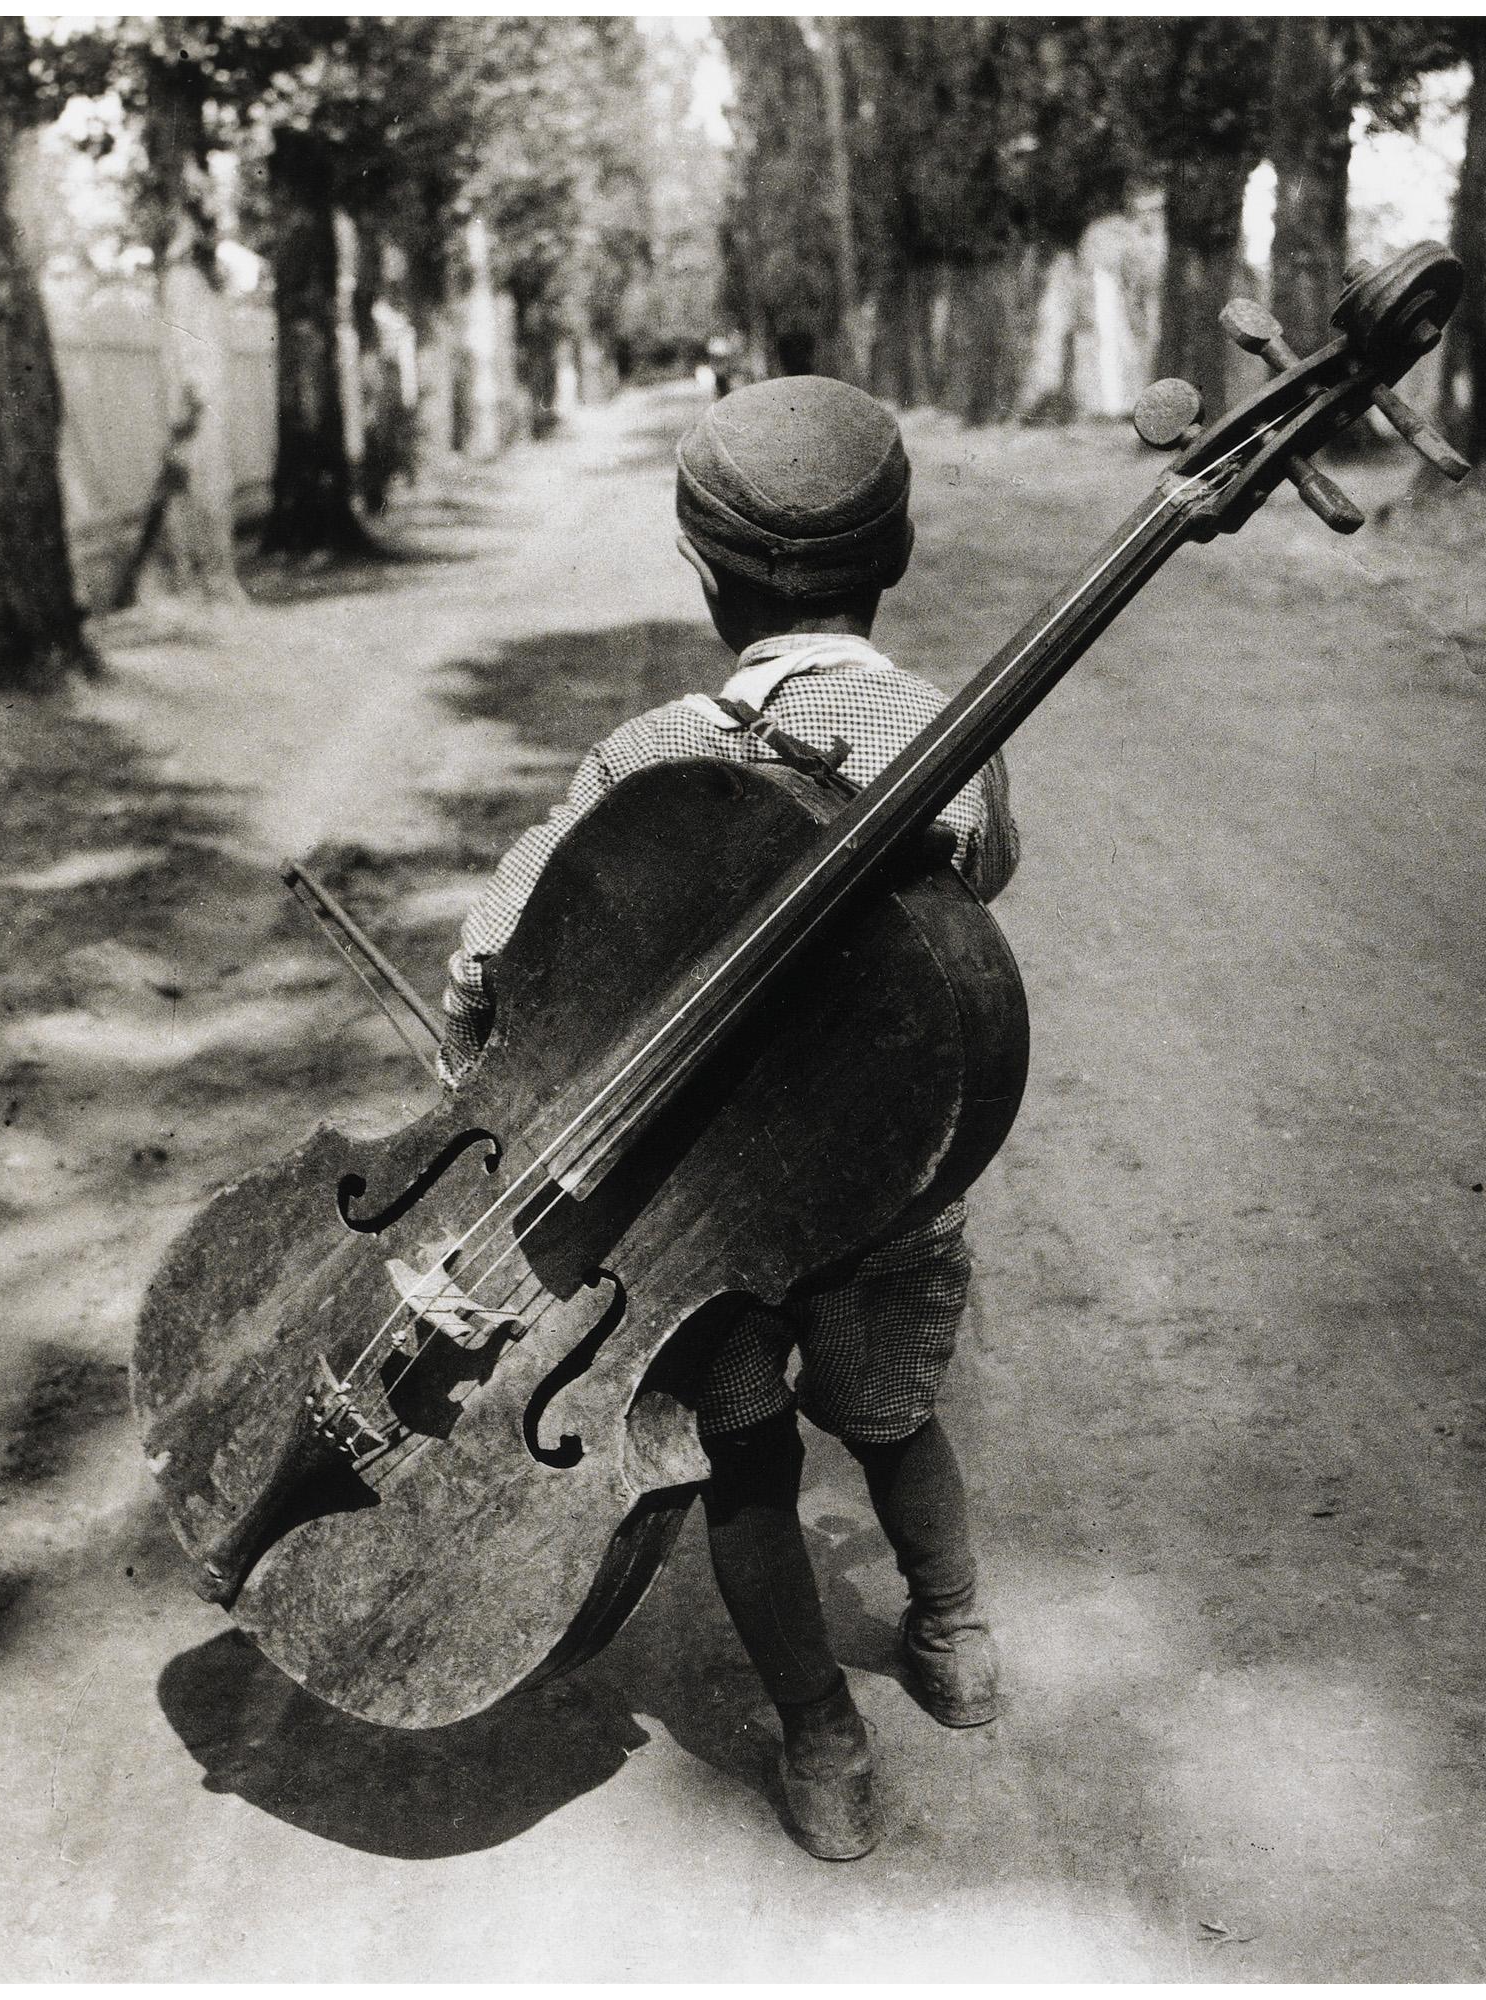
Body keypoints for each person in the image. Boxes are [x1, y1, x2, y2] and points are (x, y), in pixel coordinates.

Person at [437, 377, 1021, 1861]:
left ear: (704, 573)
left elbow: (506, 945)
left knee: (745, 1461)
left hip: (707, 1212)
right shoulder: (955, 740)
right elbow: (979, 892)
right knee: (894, 1420)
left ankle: (821, 1739)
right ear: (891, 563)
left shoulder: (648, 756)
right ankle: (951, 1637)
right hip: (887, 1182)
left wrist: (476, 1034)